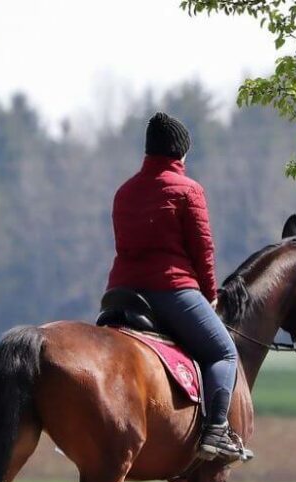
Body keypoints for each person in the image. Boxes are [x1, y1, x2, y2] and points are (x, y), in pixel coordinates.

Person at [106, 112, 253, 464]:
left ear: (149, 151)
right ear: (181, 154)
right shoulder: (189, 190)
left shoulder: (125, 191)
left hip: (122, 291)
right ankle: (216, 431)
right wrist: (210, 292)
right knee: (223, 352)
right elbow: (203, 249)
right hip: (170, 290)